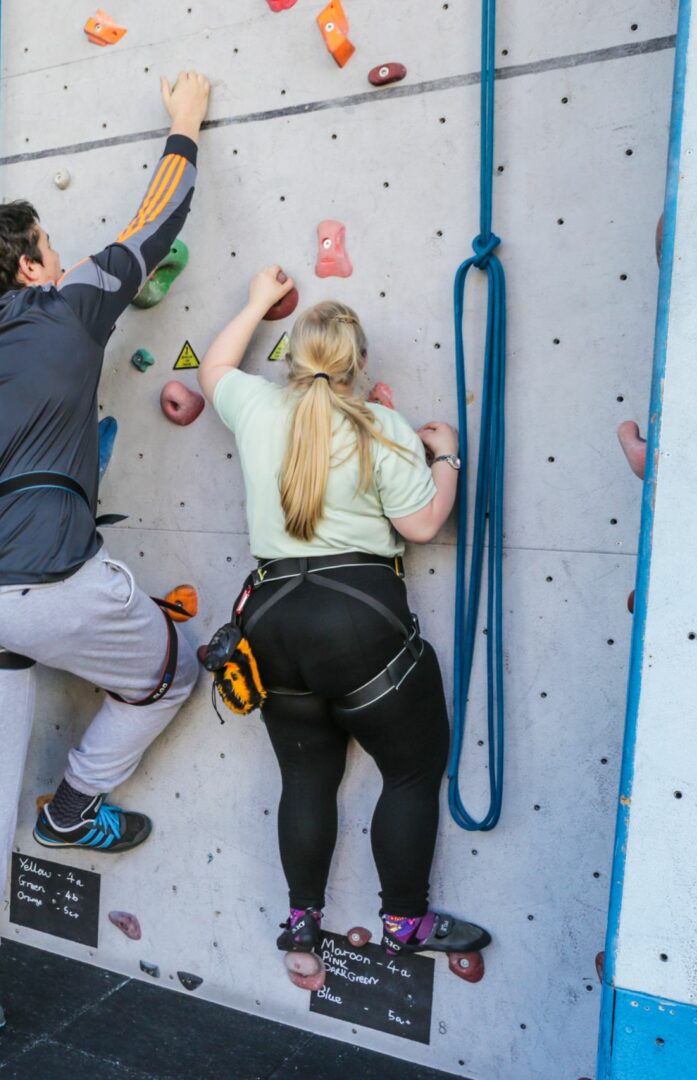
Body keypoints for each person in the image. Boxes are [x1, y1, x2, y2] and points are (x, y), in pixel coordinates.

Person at [0, 71, 211, 1030]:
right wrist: (182, 124)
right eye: (50, 242)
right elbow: (155, 224)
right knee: (172, 670)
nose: (61, 250)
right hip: (53, 578)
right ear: (38, 265)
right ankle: (75, 802)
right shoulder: (72, 305)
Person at [198, 278, 493, 964]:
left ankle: (303, 923)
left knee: (304, 779)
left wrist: (253, 301)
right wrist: (445, 455)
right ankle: (404, 925)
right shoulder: (379, 425)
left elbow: (213, 369)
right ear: (359, 364)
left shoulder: (257, 406)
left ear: (290, 360)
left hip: (271, 620)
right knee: (412, 772)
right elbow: (421, 524)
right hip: (357, 619)